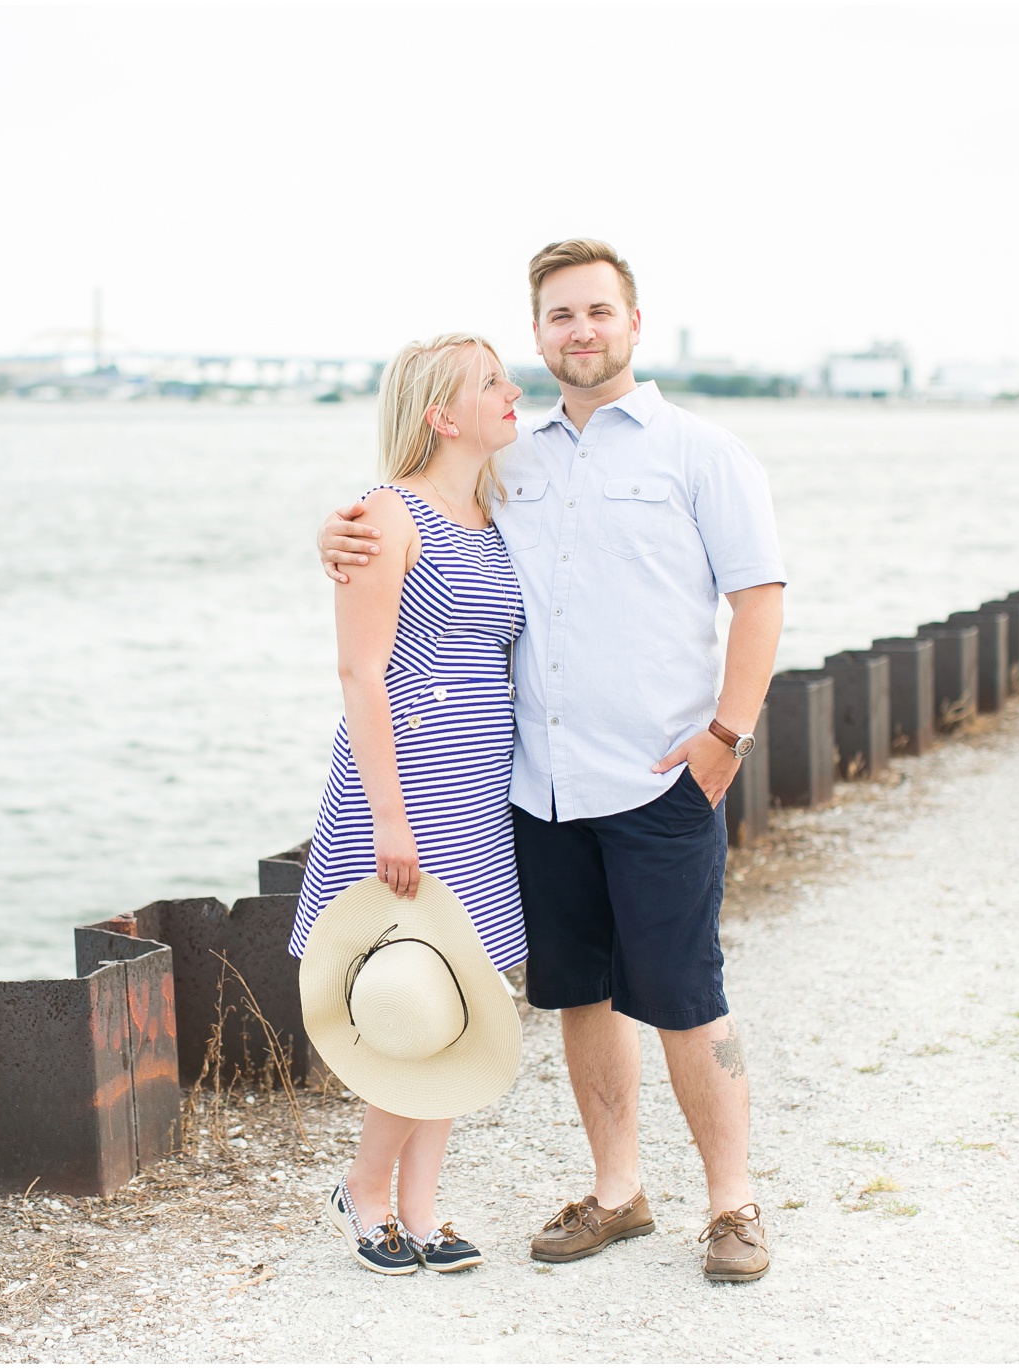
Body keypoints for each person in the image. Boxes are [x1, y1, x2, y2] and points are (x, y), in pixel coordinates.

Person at [317, 239, 786, 1283]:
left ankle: (732, 1203)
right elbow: (406, 512)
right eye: (559, 316)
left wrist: (725, 738)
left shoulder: (699, 453)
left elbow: (758, 597)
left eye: (596, 312)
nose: (578, 331)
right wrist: (335, 531)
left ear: (631, 323)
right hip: (537, 788)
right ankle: (616, 1193)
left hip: (662, 777)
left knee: (685, 996)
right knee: (578, 997)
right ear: (538, 335)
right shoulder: (508, 459)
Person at [288, 333, 528, 1275]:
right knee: (407, 991)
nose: (514, 392)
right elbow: (360, 671)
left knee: (455, 996)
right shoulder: (388, 515)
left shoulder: (493, 504)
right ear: (442, 413)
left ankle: (421, 1204)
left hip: (477, 792)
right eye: (492, 382)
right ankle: (366, 1189)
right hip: (408, 791)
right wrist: (390, 818)